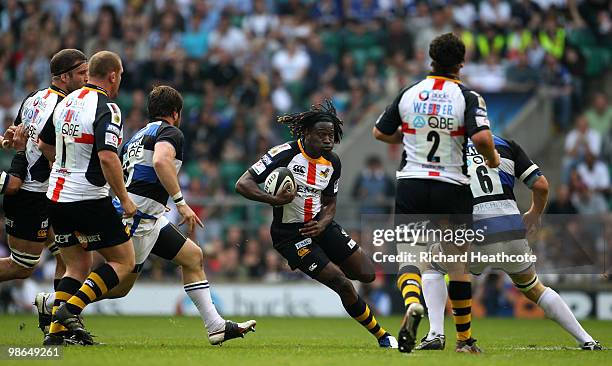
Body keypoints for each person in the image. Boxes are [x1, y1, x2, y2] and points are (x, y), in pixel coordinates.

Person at [373, 32, 499, 353]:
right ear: (461, 62)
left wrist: (413, 137)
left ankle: (413, 303)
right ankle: (465, 340)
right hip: (452, 186)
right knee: (457, 263)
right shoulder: (467, 96)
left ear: (430, 58)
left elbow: (379, 132)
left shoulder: (410, 92)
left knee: (410, 256)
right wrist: (492, 158)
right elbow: (483, 139)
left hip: (412, 183)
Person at [235, 101, 398, 349]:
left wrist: (323, 223)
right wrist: (273, 199)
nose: (328, 140)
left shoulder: (332, 162)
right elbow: (243, 184)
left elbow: (331, 203)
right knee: (342, 283)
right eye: (321, 135)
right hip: (290, 235)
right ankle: (382, 335)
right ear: (306, 133)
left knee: (366, 273)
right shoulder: (283, 155)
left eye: (331, 135)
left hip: (320, 226)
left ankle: (305, 260)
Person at [418, 136, 602, 351]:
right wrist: (535, 212)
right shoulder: (506, 145)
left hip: (476, 233)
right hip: (513, 232)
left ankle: (436, 334)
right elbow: (541, 185)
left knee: (431, 263)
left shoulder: (447, 151)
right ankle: (586, 339)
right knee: (534, 287)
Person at [108, 85, 255, 344]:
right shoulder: (170, 131)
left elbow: (124, 173)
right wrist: (180, 202)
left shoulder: (137, 136)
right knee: (120, 286)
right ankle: (59, 302)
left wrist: (153, 199)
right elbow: (161, 162)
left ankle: (216, 326)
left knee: (192, 256)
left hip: (147, 216)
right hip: (138, 220)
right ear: (176, 113)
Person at [38, 51, 137, 346]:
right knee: (123, 261)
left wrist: (66, 171)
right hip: (88, 198)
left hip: (56, 196)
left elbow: (44, 143)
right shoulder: (108, 108)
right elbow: (107, 157)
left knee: (76, 267)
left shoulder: (64, 102)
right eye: (120, 75)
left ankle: (55, 335)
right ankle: (71, 309)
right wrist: (125, 199)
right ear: (112, 75)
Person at [0, 49, 88, 334]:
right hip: (34, 192)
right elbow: (49, 151)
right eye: (82, 74)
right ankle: (59, 317)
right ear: (65, 77)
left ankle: (58, 318)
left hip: (49, 191)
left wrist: (12, 141)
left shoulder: (34, 97)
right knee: (22, 266)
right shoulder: (65, 108)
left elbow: (13, 137)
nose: (87, 79)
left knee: (68, 254)